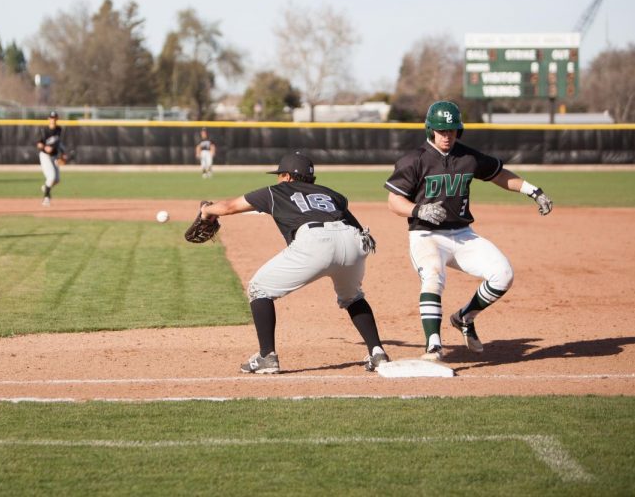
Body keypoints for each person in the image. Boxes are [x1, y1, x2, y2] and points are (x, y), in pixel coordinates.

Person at [384, 100, 554, 361]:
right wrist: (418, 210)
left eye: (451, 131)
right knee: (433, 277)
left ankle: (464, 317)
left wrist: (533, 190)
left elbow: (498, 174)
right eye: (441, 131)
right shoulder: (413, 160)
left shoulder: (467, 156)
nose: (447, 136)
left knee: (503, 274)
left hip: (463, 234)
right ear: (430, 130)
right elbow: (394, 201)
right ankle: (433, 346)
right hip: (426, 236)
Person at [199, 152, 389, 374]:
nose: (278, 179)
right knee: (352, 297)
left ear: (288, 177)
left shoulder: (276, 191)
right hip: (353, 241)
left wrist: (207, 210)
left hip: (317, 241)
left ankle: (266, 357)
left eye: (280, 175)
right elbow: (355, 226)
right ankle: (377, 352)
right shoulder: (331, 193)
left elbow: (229, 207)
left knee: (259, 288)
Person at [36, 110, 66, 206]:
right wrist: (45, 147)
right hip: (45, 156)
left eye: (54, 118)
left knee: (56, 180)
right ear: (48, 119)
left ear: (57, 119)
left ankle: (46, 187)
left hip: (54, 156)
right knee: (51, 177)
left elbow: (58, 143)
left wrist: (62, 153)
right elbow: (39, 144)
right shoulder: (44, 130)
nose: (53, 120)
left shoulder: (59, 130)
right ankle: (46, 198)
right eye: (51, 118)